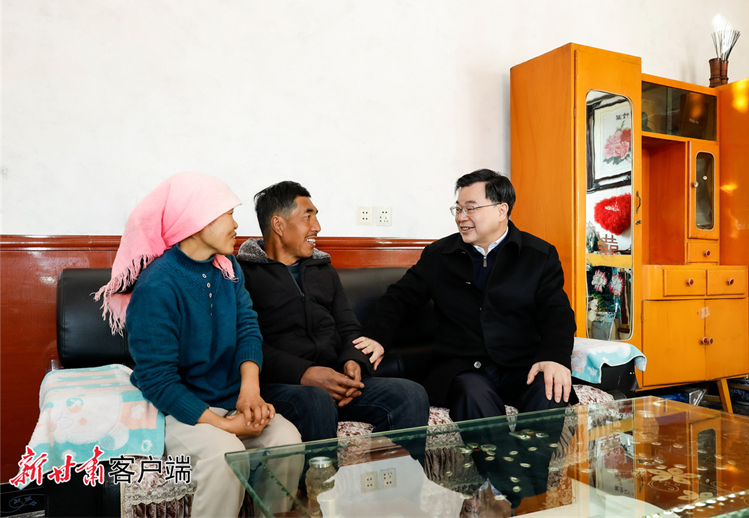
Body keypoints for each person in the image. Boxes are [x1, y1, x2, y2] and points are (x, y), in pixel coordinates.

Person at [94, 172, 302, 517]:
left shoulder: (228, 268)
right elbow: (158, 380)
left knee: (287, 441)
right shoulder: (157, 286)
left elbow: (248, 328)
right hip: (179, 410)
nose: (236, 224)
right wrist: (225, 426)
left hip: (229, 400)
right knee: (224, 456)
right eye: (228, 214)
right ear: (197, 220)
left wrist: (250, 391)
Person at [362, 169, 578, 421]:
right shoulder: (439, 256)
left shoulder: (538, 255)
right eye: (458, 209)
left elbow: (557, 312)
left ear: (501, 211)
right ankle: (501, 450)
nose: (461, 218)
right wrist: (377, 337)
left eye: (470, 209)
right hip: (464, 369)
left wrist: (554, 357)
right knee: (474, 396)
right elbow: (398, 298)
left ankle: (529, 450)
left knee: (552, 390)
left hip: (521, 366)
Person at [236, 181, 429, 441]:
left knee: (411, 395)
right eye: (307, 217)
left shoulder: (323, 269)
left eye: (316, 216)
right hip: (282, 385)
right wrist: (305, 374)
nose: (317, 226)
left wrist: (352, 362)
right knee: (316, 400)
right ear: (278, 225)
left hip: (334, 379)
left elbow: (349, 327)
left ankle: (386, 468)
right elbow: (246, 341)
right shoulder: (242, 274)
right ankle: (322, 472)